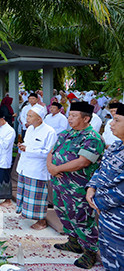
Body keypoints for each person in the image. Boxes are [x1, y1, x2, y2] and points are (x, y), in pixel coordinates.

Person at [47, 101, 104, 269]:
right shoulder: (66, 134)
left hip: (78, 188)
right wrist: (50, 166)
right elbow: (52, 151)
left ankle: (90, 252)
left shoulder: (92, 138)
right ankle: (73, 242)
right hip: (60, 184)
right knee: (63, 213)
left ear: (86, 119)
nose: (69, 119)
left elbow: (82, 162)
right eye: (69, 115)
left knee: (82, 219)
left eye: (73, 116)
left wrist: (56, 168)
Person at [86, 104, 124, 271]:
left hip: (118, 218)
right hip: (105, 215)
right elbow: (101, 169)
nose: (110, 124)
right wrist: (91, 188)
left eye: (117, 120)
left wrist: (98, 202)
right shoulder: (116, 146)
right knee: (108, 255)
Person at [16, 105, 57, 230]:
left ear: (39, 119)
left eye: (30, 116)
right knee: (26, 194)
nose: (26, 118)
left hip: (37, 169)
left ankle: (42, 220)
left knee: (38, 197)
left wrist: (28, 149)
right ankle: (27, 213)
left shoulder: (49, 131)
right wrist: (22, 146)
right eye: (27, 115)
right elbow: (28, 145)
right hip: (25, 166)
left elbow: (48, 153)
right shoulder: (30, 129)